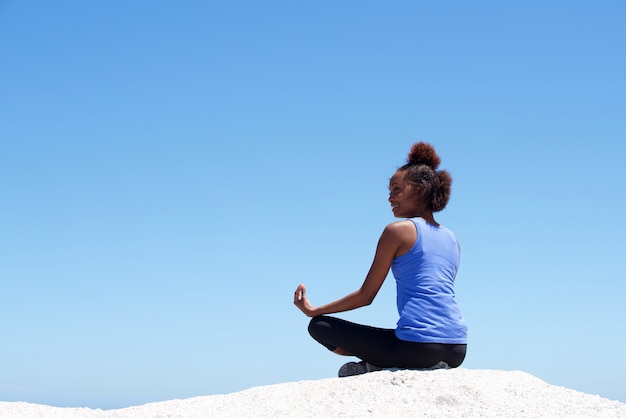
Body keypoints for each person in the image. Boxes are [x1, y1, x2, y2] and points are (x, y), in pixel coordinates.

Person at [293, 142, 467, 377]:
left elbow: (366, 296)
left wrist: (314, 310)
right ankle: (387, 361)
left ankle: (379, 365)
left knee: (320, 326)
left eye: (396, 190)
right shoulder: (452, 239)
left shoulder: (397, 231)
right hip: (458, 348)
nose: (390, 198)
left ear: (420, 189)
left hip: (419, 348)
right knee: (395, 337)